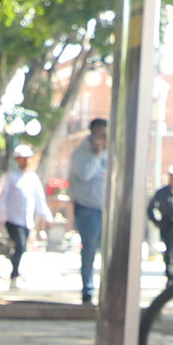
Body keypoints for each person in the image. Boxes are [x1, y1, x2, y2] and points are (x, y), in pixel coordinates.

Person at [68, 117, 111, 305]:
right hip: (88, 208)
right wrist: (97, 154)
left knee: (110, 251)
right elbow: (85, 174)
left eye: (105, 135)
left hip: (108, 208)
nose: (102, 138)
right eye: (99, 134)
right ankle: (88, 289)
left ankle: (108, 289)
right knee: (90, 250)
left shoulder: (111, 153)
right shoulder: (80, 154)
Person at [0, 144, 48, 289]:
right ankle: (14, 275)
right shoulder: (10, 177)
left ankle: (15, 269)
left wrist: (47, 216)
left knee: (22, 247)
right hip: (12, 219)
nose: (26, 161)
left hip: (27, 220)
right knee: (20, 244)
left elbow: (39, 199)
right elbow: (2, 197)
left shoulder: (33, 178)